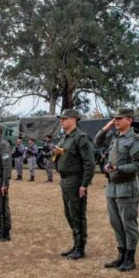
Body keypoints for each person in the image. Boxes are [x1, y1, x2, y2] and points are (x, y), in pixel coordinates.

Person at [95, 109, 139, 271]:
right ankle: (121, 255)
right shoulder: (114, 137)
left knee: (128, 224)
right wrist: (107, 126)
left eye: (119, 118)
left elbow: (137, 166)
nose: (116, 121)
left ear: (129, 120)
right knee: (116, 223)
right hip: (112, 188)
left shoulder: (134, 139)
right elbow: (97, 140)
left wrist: (118, 168)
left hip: (126, 188)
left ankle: (130, 258)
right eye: (114, 118)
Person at [54, 109, 95, 260]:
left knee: (77, 214)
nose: (61, 121)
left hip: (75, 180)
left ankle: (80, 247)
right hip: (65, 180)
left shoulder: (81, 137)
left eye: (64, 119)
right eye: (61, 119)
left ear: (72, 119)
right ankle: (75, 244)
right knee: (69, 214)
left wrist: (84, 184)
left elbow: (89, 163)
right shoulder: (65, 137)